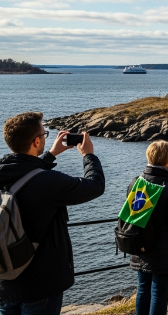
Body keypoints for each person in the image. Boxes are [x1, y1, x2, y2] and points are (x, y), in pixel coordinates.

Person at [0, 113, 104, 315]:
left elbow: (25, 172)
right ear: (37, 140)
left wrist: (51, 154)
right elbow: (95, 186)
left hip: (5, 281)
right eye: (44, 133)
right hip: (41, 285)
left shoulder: (3, 172)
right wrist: (88, 155)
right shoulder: (50, 182)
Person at [128, 141, 168, 315]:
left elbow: (131, 215)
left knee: (143, 290)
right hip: (164, 251)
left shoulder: (136, 182)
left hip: (140, 246)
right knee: (159, 293)